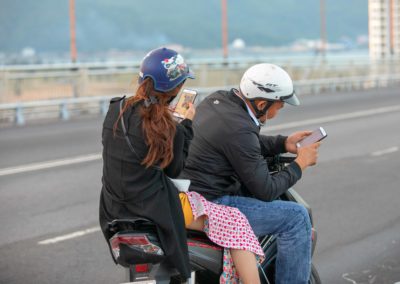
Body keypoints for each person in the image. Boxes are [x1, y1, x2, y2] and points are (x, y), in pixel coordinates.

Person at [99, 47, 264, 284]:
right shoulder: (170, 126)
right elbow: (175, 171)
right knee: (236, 220)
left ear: (141, 78)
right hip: (156, 210)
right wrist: (185, 124)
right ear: (177, 89)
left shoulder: (116, 109)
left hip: (114, 210)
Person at [180, 63, 321, 284]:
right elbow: (266, 190)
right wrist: (299, 164)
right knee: (296, 217)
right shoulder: (240, 127)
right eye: (280, 106)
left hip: (188, 194)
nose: (279, 111)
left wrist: (284, 143)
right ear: (263, 103)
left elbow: (244, 143)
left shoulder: (218, 100)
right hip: (213, 202)